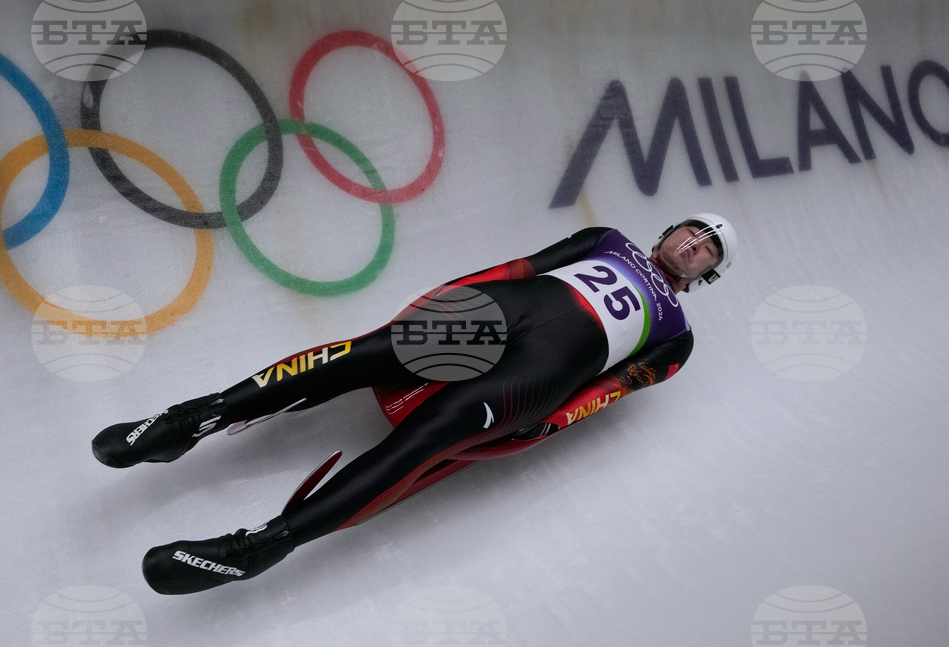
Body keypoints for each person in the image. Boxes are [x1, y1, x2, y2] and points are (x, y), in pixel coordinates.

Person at [92, 214, 737, 594]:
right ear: (669, 228)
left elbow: (614, 389)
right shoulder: (608, 237)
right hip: (499, 313)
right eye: (692, 229)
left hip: (539, 377)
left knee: (423, 443)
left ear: (707, 273)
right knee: (362, 355)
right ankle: (190, 419)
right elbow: (522, 267)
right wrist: (448, 296)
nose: (693, 242)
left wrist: (552, 421)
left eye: (707, 247)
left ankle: (261, 546)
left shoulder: (678, 336)